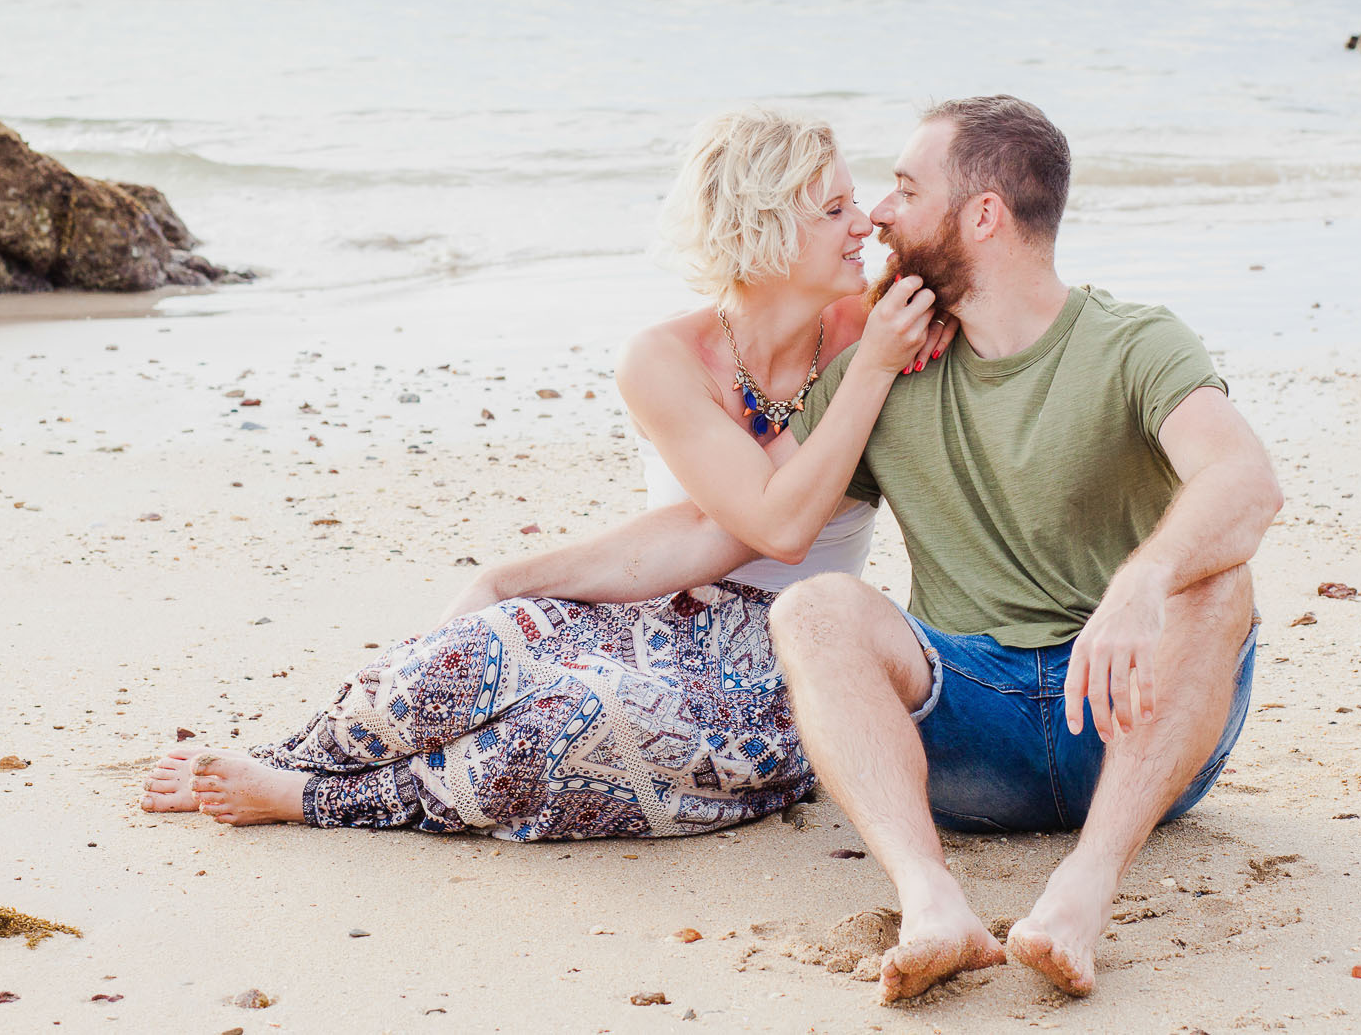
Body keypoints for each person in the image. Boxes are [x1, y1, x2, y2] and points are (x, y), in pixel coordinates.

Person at [138, 107, 946, 839]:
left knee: (576, 720)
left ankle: (309, 798)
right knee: (463, 655)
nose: (865, 223)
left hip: (783, 656)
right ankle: (297, 754)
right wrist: (505, 581)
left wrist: (881, 358)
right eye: (834, 208)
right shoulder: (665, 358)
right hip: (650, 615)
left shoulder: (873, 336)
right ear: (762, 227)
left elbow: (773, 525)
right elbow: (702, 527)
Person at [765, 95, 1283, 1002]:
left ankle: (1084, 888)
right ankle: (932, 903)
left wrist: (1140, 585)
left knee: (1217, 576)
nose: (879, 213)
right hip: (969, 738)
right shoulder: (882, 369)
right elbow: (749, 516)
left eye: (904, 187)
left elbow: (1246, 480)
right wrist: (524, 577)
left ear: (983, 215)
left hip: (1133, 725)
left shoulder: (1131, 343)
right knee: (811, 610)